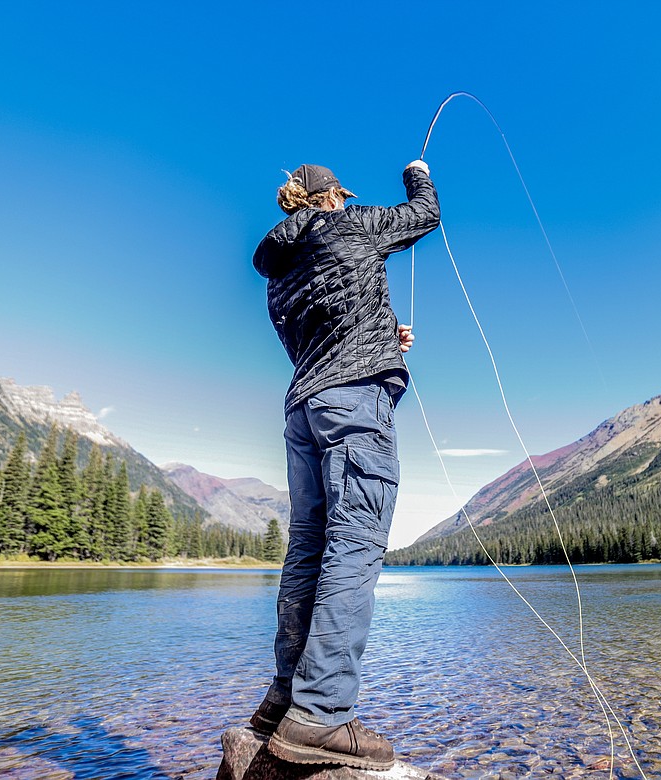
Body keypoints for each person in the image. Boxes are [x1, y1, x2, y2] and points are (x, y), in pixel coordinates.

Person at [248, 160, 440, 770]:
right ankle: (322, 714)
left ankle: (284, 702)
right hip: (354, 405)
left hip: (303, 409)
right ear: (330, 198)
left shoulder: (277, 273)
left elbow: (327, 328)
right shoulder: (350, 223)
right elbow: (425, 216)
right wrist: (418, 175)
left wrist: (383, 334)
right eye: (341, 197)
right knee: (354, 547)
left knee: (307, 549)